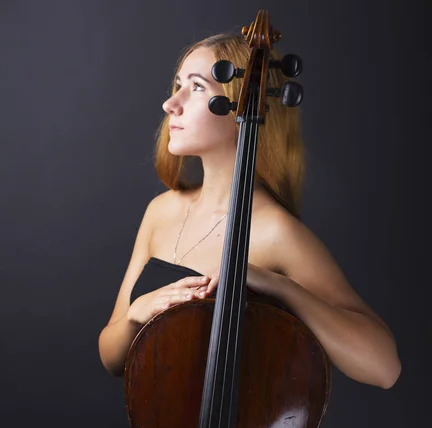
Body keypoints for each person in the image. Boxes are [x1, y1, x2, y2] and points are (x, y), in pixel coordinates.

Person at [98, 32, 401, 389]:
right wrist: (136, 314)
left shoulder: (275, 231)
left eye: (196, 88)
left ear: (239, 106)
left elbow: (385, 369)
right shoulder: (160, 211)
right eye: (177, 84)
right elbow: (111, 356)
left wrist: (282, 286)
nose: (171, 103)